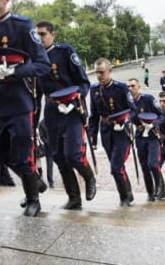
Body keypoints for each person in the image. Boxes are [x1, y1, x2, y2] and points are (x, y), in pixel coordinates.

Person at [0, 0, 50, 217]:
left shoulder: (22, 25)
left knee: (23, 153)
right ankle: (35, 181)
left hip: (19, 100)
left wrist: (15, 72)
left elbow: (42, 64)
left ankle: (33, 198)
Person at [35, 20, 96, 209]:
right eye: (36, 35)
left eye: (43, 34)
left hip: (72, 110)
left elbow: (83, 82)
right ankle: (74, 197)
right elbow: (36, 92)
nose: (39, 38)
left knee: (73, 154)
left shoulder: (64, 51)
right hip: (52, 111)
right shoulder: (34, 58)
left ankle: (89, 177)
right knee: (59, 156)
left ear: (52, 34)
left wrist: (75, 100)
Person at [89, 58, 137, 206]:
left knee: (115, 167)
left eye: (102, 72)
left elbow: (133, 111)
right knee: (117, 166)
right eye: (97, 73)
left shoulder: (121, 88)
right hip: (106, 131)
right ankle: (128, 192)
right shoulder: (94, 90)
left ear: (110, 71)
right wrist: (93, 139)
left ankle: (124, 197)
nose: (99, 76)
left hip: (122, 132)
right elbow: (94, 116)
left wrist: (126, 122)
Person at [127, 78, 164, 201]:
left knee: (153, 164)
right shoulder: (128, 102)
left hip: (153, 135)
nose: (130, 89)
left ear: (139, 87)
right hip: (140, 137)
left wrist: (154, 124)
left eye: (133, 86)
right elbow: (128, 117)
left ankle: (159, 186)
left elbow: (161, 115)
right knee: (144, 167)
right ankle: (150, 192)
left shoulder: (148, 99)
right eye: (128, 86)